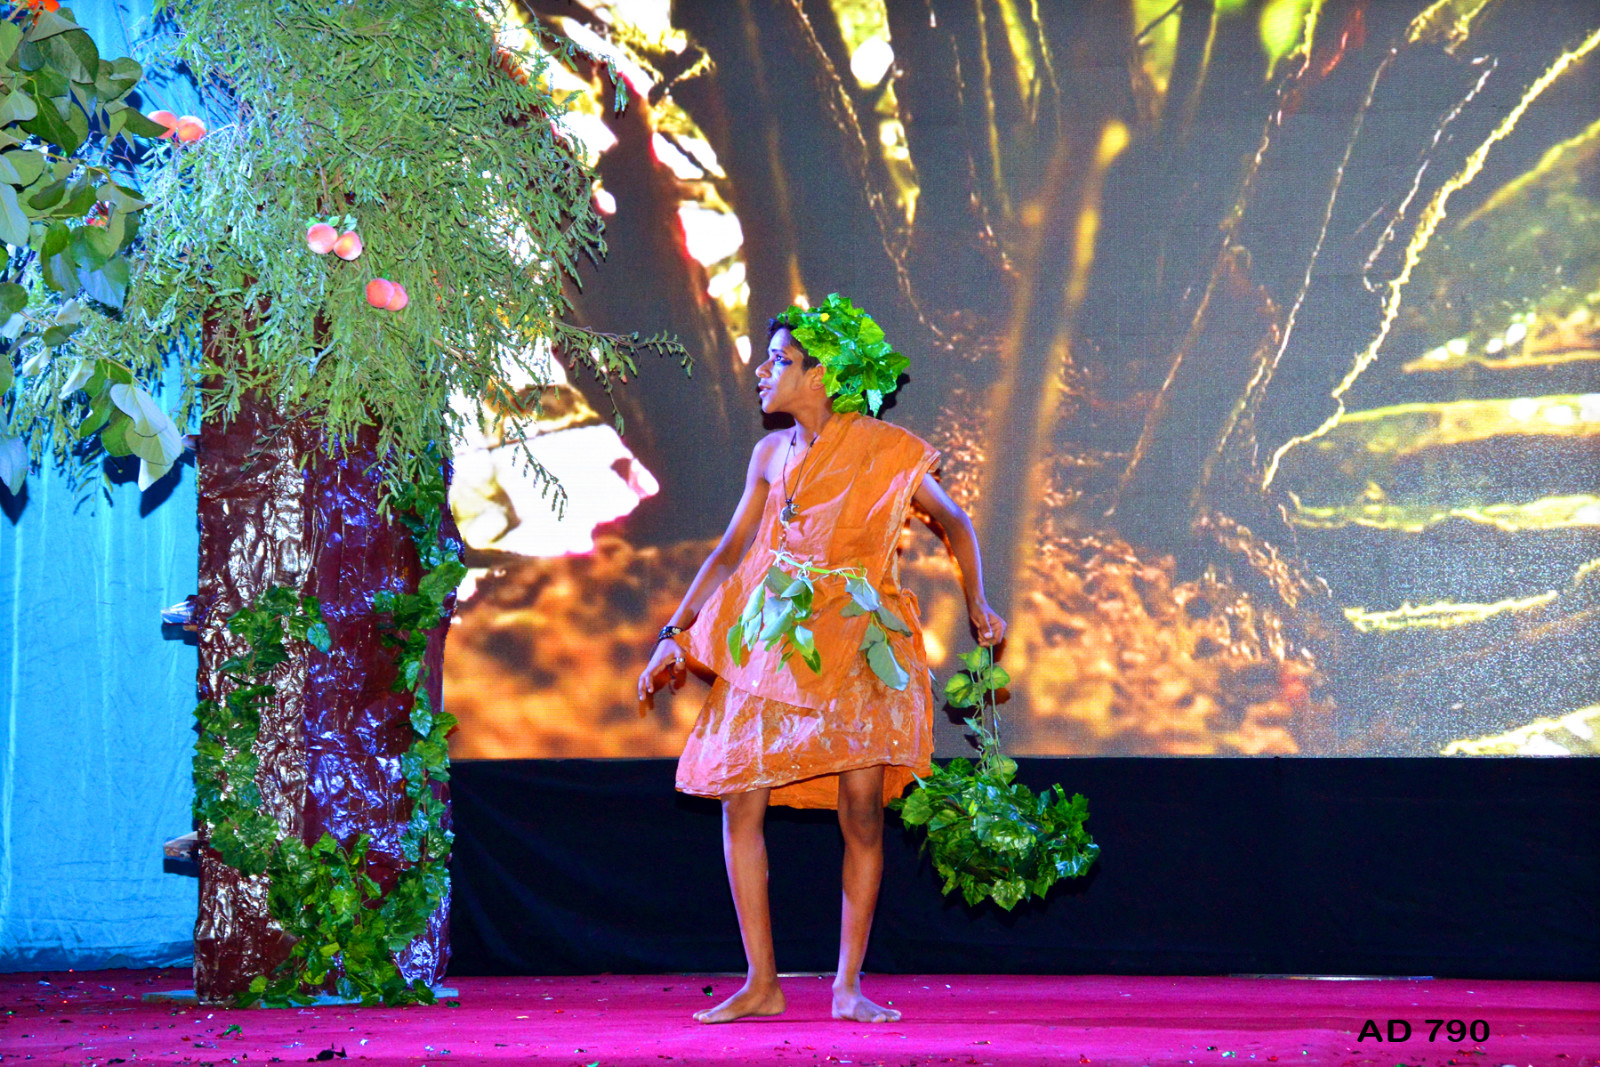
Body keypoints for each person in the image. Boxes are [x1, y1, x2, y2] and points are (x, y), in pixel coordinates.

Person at [637, 296, 1005, 1025]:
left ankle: (847, 986)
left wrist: (978, 603)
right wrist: (673, 632)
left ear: (821, 374)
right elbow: (729, 552)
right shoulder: (769, 454)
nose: (761, 370)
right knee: (740, 796)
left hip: (860, 643)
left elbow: (955, 520)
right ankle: (761, 983)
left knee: (862, 812)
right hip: (776, 642)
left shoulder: (885, 448)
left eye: (778, 360)